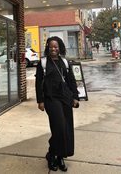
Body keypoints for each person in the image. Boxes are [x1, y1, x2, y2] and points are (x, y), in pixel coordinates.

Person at [35, 36, 79, 172]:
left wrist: (75, 97)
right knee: (59, 126)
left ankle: (60, 156)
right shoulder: (42, 63)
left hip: (65, 98)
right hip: (51, 99)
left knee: (66, 128)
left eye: (56, 46)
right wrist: (40, 101)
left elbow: (71, 80)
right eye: (51, 46)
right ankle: (51, 154)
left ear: (59, 48)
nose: (53, 49)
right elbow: (38, 83)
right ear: (48, 47)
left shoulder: (64, 62)